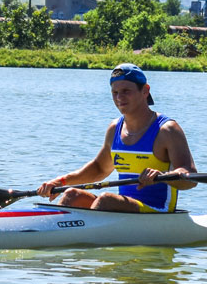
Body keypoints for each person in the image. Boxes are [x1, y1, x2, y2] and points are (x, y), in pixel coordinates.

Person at [36, 64, 197, 212]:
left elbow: (190, 178)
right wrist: (60, 182)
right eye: (115, 93)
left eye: (126, 91)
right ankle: (50, 232)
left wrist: (162, 177)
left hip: (157, 211)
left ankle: (77, 236)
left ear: (145, 91)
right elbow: (99, 169)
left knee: (107, 199)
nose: (119, 97)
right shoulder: (115, 128)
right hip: (124, 209)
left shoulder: (167, 130)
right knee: (72, 194)